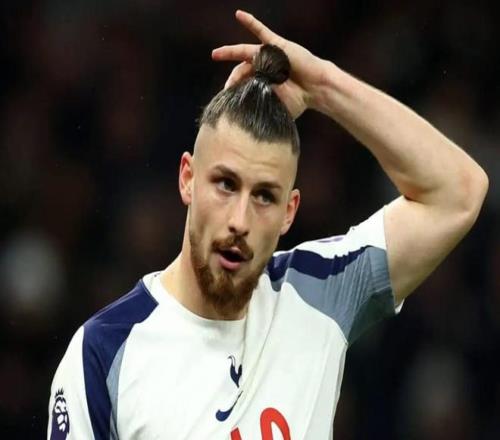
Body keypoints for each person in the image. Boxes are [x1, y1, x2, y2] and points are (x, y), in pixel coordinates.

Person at [47, 10, 488, 440]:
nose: (239, 221)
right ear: (187, 179)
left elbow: (459, 193)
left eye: (264, 196)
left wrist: (324, 86)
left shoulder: (321, 292)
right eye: (225, 184)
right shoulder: (104, 353)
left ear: (289, 211)